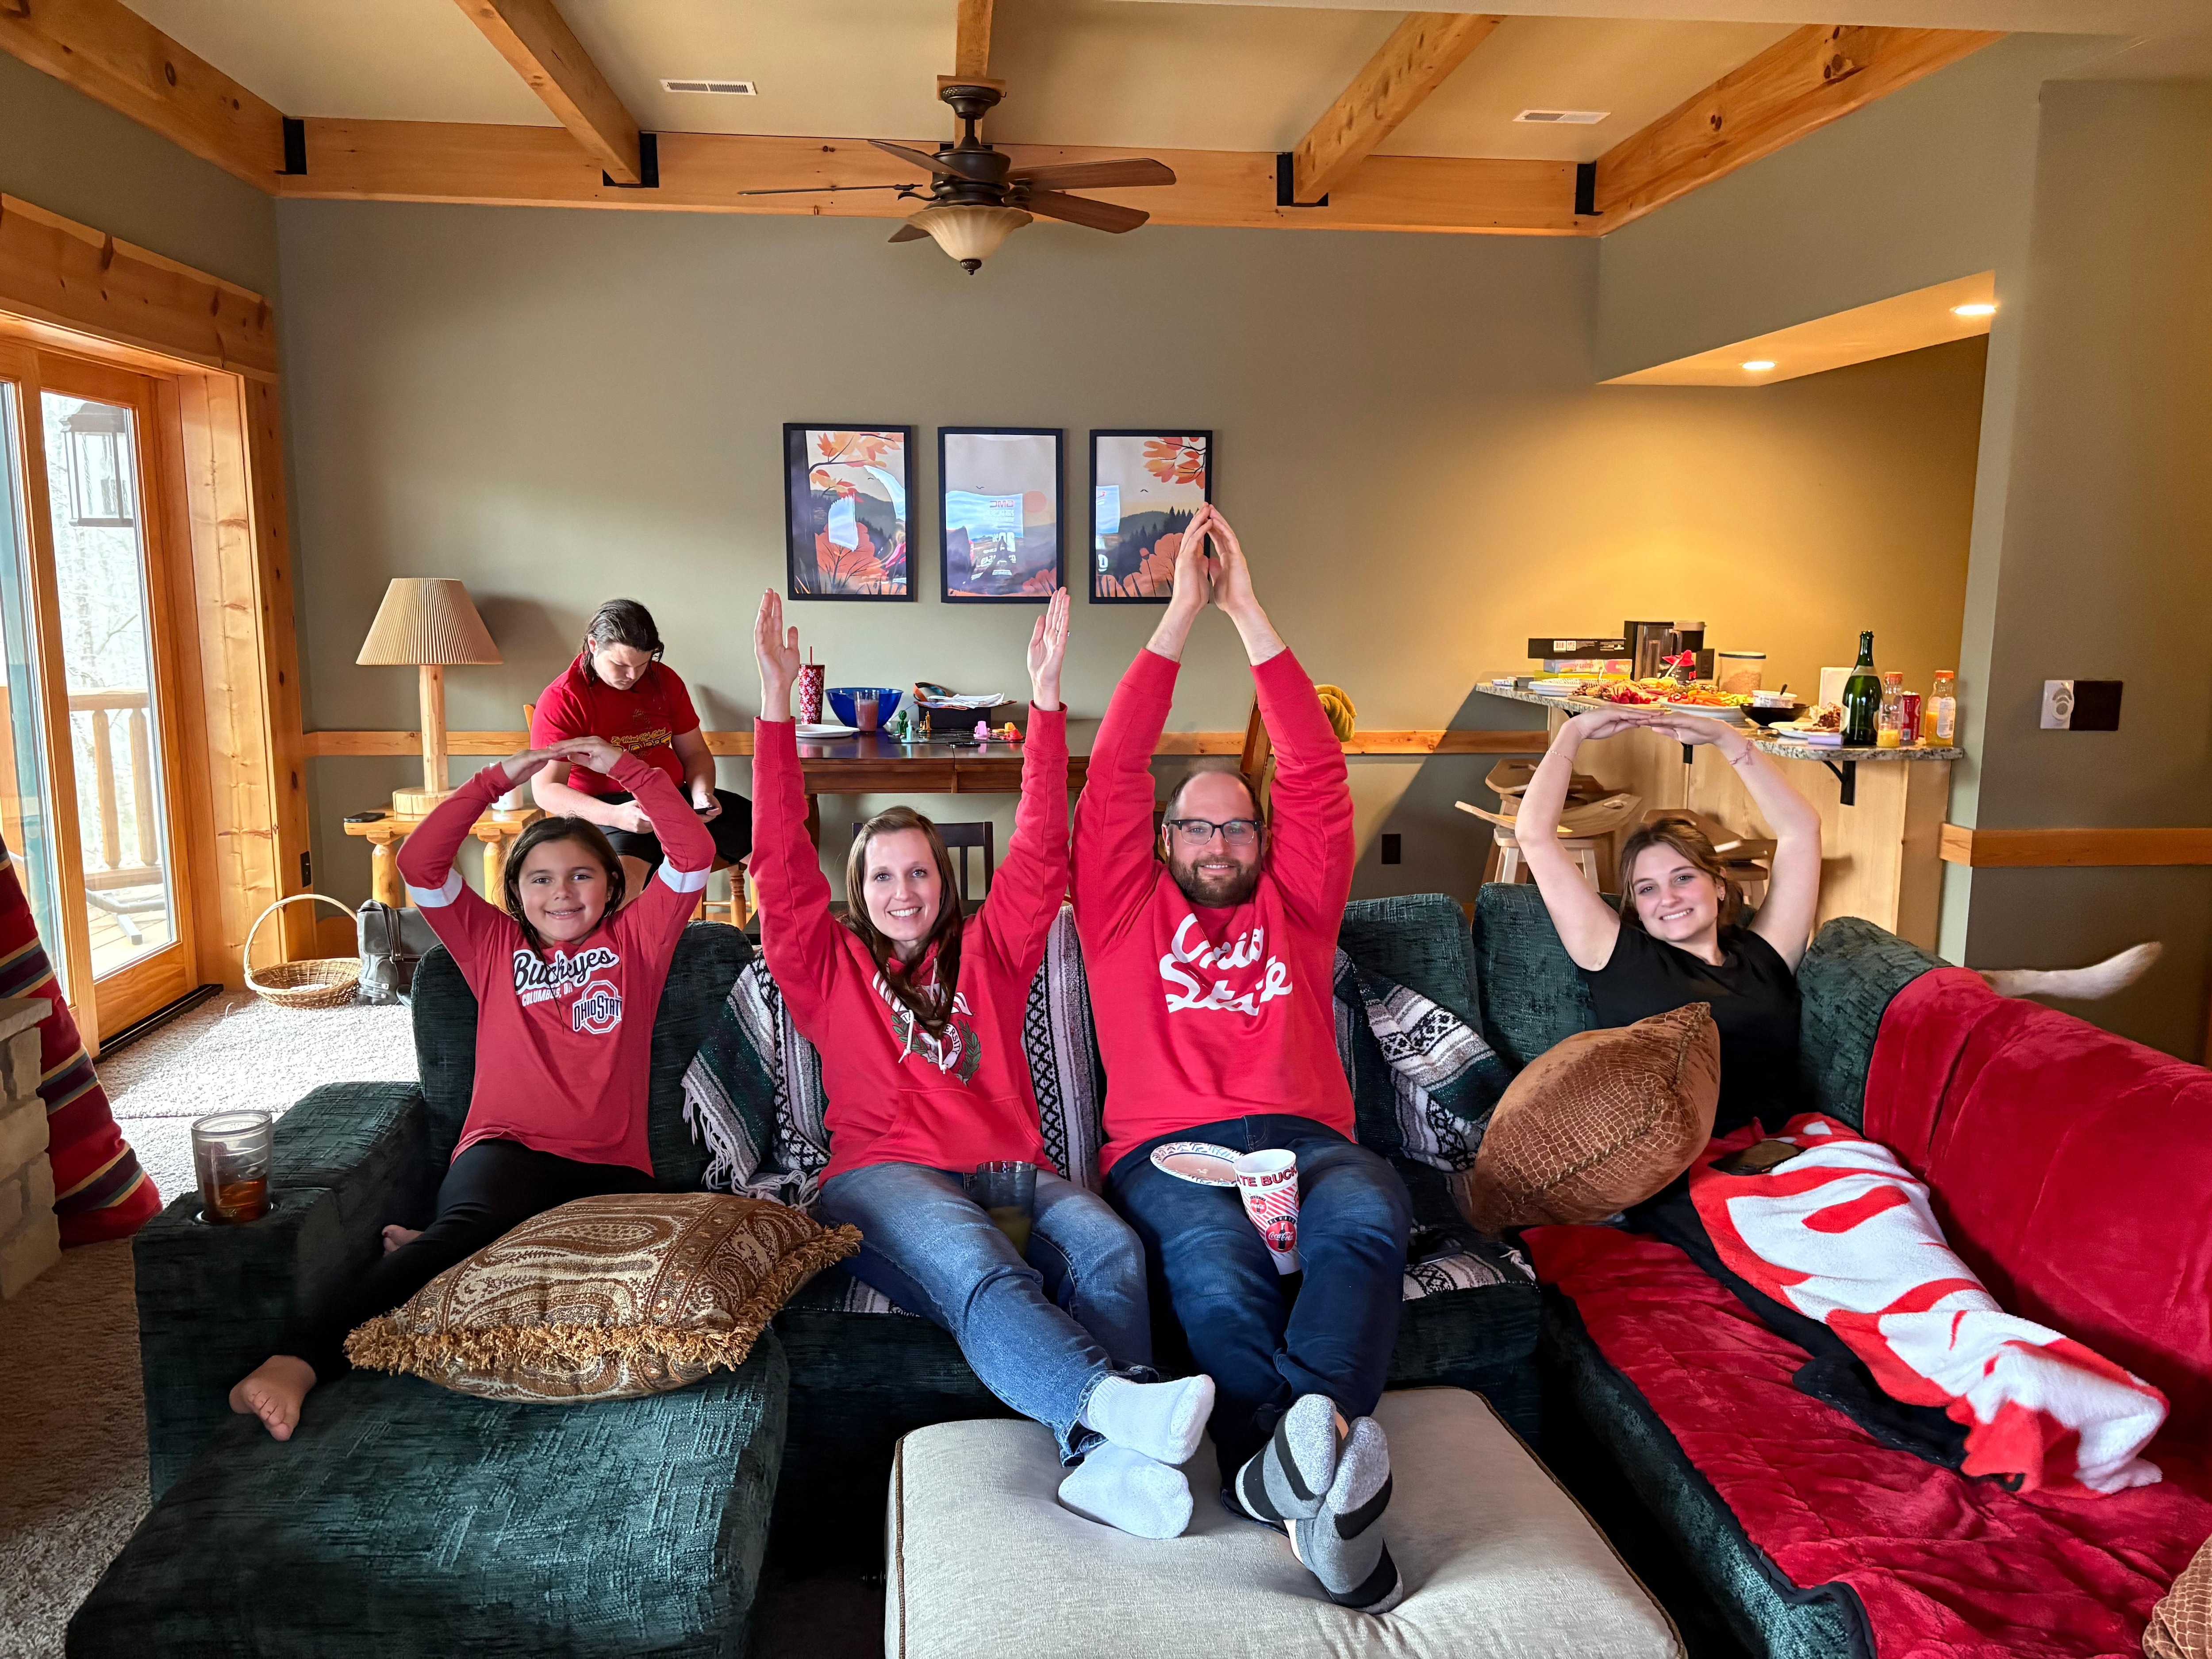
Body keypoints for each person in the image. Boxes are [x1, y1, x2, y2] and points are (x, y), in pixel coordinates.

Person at [749, 586, 1215, 1540]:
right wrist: (771, 707)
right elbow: (779, 860)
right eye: (882, 875)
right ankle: (1113, 1407)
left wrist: (1043, 700)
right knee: (979, 1265)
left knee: (1112, 1248)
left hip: (1010, 1171)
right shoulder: (825, 963)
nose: (903, 891)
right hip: (882, 1177)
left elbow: (1042, 847)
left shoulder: (990, 952)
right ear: (858, 890)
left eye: (919, 871)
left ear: (944, 880)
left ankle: (1105, 1470)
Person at [1072, 504, 1411, 1613]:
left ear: (1262, 842)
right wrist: (1180, 617)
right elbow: (1114, 770)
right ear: (1163, 840)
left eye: (1237, 827)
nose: (1218, 844)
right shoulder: (1122, 911)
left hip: (1310, 1143)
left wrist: (1251, 613)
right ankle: (1310, 1470)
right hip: (1170, 1152)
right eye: (1196, 827)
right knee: (1215, 1275)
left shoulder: (1299, 907)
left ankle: (1280, 1467)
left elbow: (1314, 771)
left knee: (1369, 1213)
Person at [227, 733, 713, 1440]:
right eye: (540, 878)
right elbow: (419, 862)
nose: (562, 891)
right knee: (461, 1235)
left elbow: (693, 853)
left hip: (612, 1169)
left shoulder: (639, 941)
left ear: (613, 886)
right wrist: (499, 778)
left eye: (581, 875)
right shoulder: (492, 944)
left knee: (643, 1261)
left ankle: (446, 1250)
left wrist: (628, 770)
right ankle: (296, 1360)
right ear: (515, 893)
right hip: (506, 1149)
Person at [1514, 705, 1823, 1135]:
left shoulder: (1765, 954)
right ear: (1636, 907)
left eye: (1682, 878)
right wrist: (1573, 732)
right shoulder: (1620, 956)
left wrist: (1726, 739)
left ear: (1719, 885)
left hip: (1784, 1149)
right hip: (1669, 1156)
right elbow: (1534, 836)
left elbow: (1801, 831)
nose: (1668, 898)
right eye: (1647, 889)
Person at [531, 598, 750, 902]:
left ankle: (788, 929)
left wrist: (702, 794)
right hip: (605, 809)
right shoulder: (564, 697)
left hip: (675, 799)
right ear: (593, 645)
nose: (632, 676)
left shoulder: (664, 680)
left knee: (774, 843)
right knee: (620, 889)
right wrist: (615, 816)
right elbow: (546, 790)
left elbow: (695, 754)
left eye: (642, 665)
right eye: (621, 665)